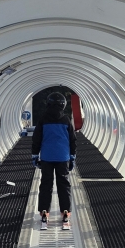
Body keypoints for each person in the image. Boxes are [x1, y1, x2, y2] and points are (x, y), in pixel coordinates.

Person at [31, 92, 77, 230]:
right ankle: (65, 212)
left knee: (46, 184)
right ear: (63, 105)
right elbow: (72, 139)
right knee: (64, 184)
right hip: (63, 157)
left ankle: (44, 211)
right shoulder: (66, 120)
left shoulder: (43, 119)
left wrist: (34, 155)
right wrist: (72, 156)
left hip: (47, 157)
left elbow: (36, 139)